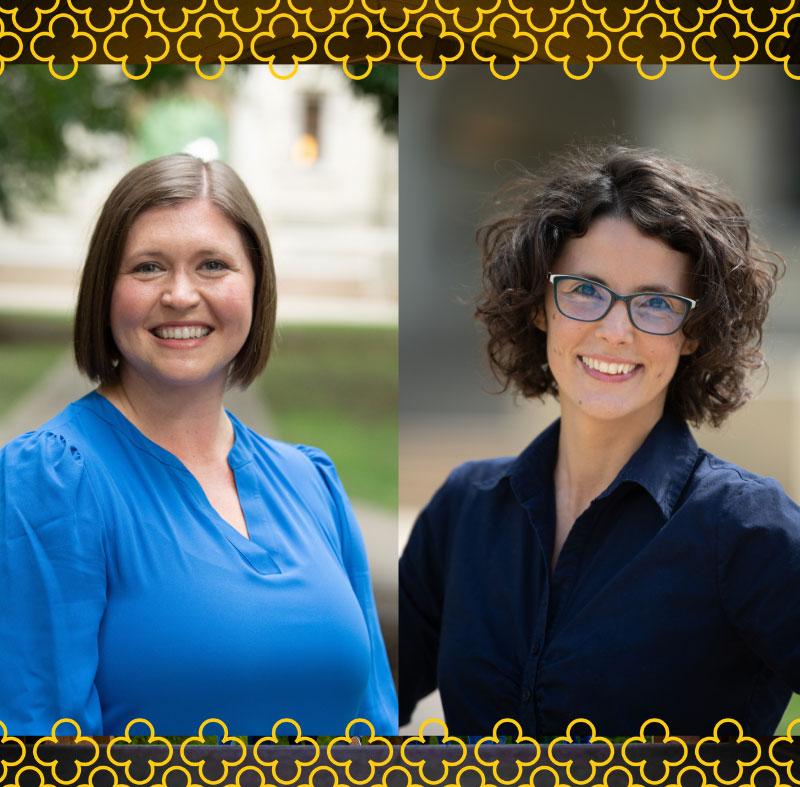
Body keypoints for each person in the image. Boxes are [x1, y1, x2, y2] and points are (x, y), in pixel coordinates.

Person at [399, 145, 800, 738]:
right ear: (540, 307)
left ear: (692, 334)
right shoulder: (466, 509)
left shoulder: (746, 527)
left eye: (656, 303)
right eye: (585, 290)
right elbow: (359, 709)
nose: (616, 331)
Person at [0, 154, 397, 736]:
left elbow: (376, 728)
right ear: (103, 291)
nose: (181, 295)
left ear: (256, 285)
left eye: (213, 265)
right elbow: (38, 749)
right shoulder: (51, 480)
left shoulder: (312, 482)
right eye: (148, 267)